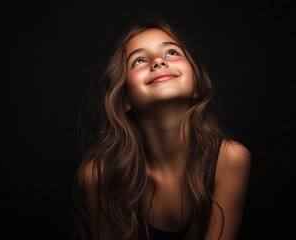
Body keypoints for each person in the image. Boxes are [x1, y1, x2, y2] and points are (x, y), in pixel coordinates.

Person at [71, 17, 251, 240]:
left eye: (172, 53)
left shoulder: (230, 159)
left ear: (196, 84)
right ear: (126, 98)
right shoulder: (98, 175)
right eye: (138, 61)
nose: (158, 62)